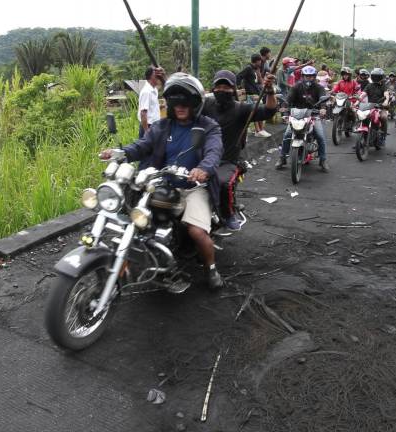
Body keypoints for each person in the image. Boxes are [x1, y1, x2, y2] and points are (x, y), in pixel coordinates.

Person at [101, 72, 224, 290]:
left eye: (186, 103)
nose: (180, 107)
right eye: (176, 102)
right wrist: (120, 153)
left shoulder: (208, 126)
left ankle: (211, 268)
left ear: (195, 104)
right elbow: (142, 145)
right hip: (163, 182)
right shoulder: (162, 126)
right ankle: (123, 269)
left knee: (196, 231)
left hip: (194, 186)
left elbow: (214, 151)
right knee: (136, 219)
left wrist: (203, 169)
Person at [201, 70, 278, 230]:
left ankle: (228, 214)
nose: (222, 90)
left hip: (228, 160)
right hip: (204, 158)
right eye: (218, 86)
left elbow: (270, 110)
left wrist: (270, 90)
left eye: (226, 87)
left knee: (223, 183)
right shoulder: (206, 105)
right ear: (213, 88)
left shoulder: (241, 109)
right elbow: (184, 105)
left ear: (234, 89)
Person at [276, 66, 329, 172]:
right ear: (303, 76)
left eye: (311, 76)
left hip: (313, 115)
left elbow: (323, 98)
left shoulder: (319, 87)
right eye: (306, 76)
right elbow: (289, 98)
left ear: (314, 77)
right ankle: (282, 158)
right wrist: (285, 105)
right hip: (297, 115)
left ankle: (323, 160)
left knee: (320, 136)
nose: (308, 78)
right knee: (287, 135)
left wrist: (323, 108)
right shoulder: (296, 87)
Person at [238, 53, 270, 138]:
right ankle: (257, 130)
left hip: (256, 92)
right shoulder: (248, 68)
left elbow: (259, 81)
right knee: (255, 112)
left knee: (260, 110)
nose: (261, 63)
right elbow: (239, 76)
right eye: (260, 61)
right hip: (251, 93)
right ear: (257, 61)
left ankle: (261, 129)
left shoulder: (255, 69)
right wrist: (239, 87)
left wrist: (258, 72)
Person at [360, 68, 389, 147]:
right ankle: (361, 139)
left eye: (378, 77)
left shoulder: (384, 86)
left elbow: (386, 95)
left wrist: (386, 101)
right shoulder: (369, 85)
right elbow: (363, 94)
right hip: (369, 106)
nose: (376, 78)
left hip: (380, 107)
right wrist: (357, 100)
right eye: (374, 76)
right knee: (362, 117)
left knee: (383, 117)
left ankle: (383, 137)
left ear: (381, 77)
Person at [138, 66, 162, 138]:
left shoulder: (154, 90)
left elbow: (151, 107)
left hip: (155, 125)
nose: (159, 77)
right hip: (148, 126)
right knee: (146, 148)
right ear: (151, 76)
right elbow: (143, 113)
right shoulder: (146, 92)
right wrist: (147, 131)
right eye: (156, 75)